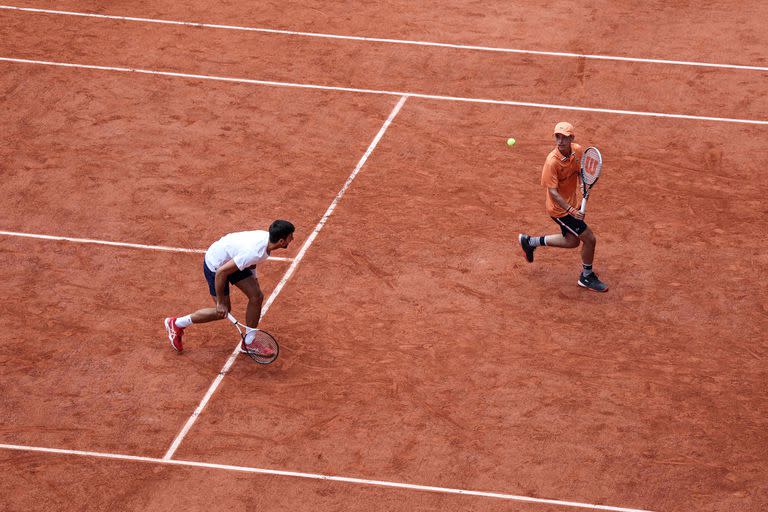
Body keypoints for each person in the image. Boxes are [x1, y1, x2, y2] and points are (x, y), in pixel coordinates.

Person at [164, 220, 295, 354]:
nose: (292, 239)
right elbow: (222, 272)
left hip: (232, 259)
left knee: (256, 296)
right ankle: (177, 324)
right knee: (223, 311)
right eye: (290, 236)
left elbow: (251, 263)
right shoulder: (254, 251)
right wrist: (220, 303)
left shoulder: (265, 244)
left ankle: (249, 343)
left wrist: (254, 278)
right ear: (281, 241)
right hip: (216, 266)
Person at [518, 122, 608, 292]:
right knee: (589, 238)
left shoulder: (578, 150)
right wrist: (572, 211)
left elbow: (580, 171)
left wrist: (582, 184)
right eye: (557, 137)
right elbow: (553, 192)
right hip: (559, 210)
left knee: (572, 241)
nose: (560, 141)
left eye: (564, 137)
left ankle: (530, 242)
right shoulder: (552, 162)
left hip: (570, 204)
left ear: (571, 138)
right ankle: (586, 277)